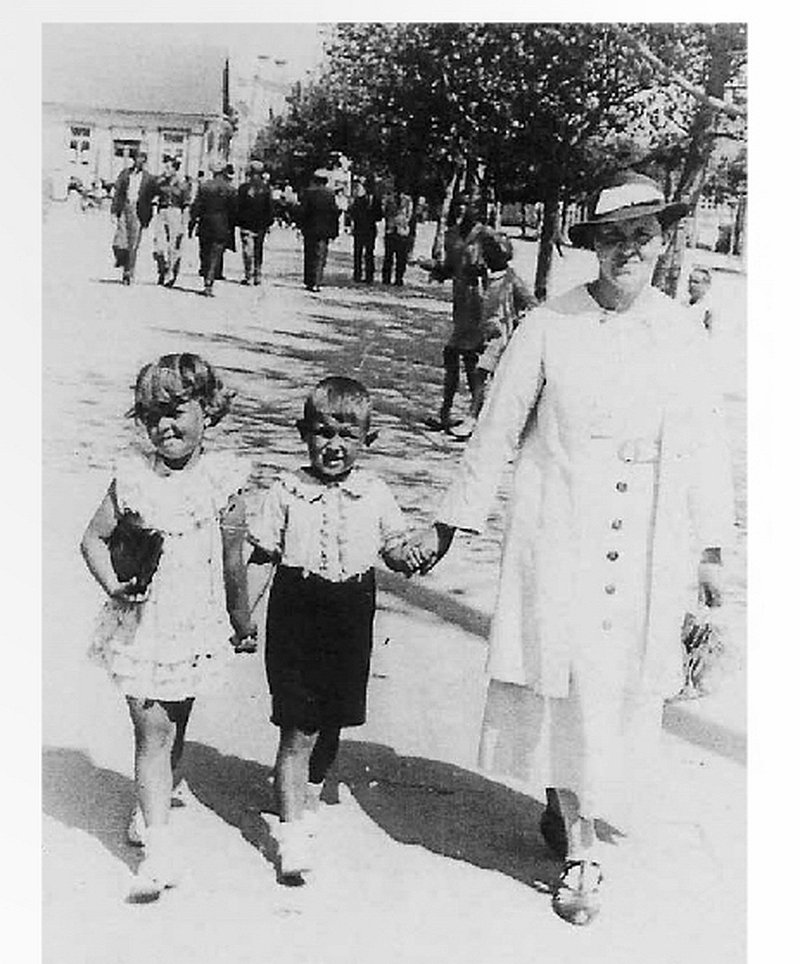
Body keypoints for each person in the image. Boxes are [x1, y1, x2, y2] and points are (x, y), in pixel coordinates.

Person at [410, 171, 734, 926]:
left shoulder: (681, 331)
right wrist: (450, 524)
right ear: (592, 247)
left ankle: (570, 799)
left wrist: (711, 550)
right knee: (565, 677)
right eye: (613, 237)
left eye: (642, 235)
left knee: (616, 688)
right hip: (562, 534)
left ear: (663, 242)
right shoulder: (549, 324)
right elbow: (495, 431)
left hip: (648, 540)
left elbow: (707, 444)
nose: (629, 250)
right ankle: (582, 848)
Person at [80, 353, 256, 899]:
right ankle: (159, 852)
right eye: (152, 416)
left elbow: (233, 562)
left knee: (174, 726)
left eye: (176, 411)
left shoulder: (223, 481)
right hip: (143, 626)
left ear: (208, 410)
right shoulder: (132, 478)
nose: (164, 427)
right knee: (152, 732)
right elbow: (93, 539)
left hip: (195, 627)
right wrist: (114, 585)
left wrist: (242, 621)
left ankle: (149, 808)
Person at [248, 376, 425, 880]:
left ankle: (307, 790)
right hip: (297, 610)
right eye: (323, 432)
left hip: (350, 610)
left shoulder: (374, 492)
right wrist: (242, 615)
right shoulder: (286, 490)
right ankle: (291, 834)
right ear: (304, 433)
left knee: (332, 718)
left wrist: (411, 555)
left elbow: (393, 547)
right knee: (297, 724)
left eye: (348, 435)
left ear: (367, 439)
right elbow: (262, 556)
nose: (334, 445)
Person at [463, 227, 536, 435]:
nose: (488, 259)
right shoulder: (489, 278)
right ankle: (483, 418)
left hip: (503, 337)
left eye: (492, 255)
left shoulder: (510, 279)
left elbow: (531, 303)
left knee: (482, 374)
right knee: (485, 377)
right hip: (487, 335)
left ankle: (474, 418)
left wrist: (521, 320)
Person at [431, 194, 486, 432]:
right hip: (460, 301)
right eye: (460, 205)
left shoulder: (486, 236)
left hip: (479, 301)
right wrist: (436, 270)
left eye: (470, 206)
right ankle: (448, 412)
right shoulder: (451, 235)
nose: (464, 209)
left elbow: (499, 264)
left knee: (468, 357)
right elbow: (450, 267)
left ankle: (475, 415)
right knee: (456, 356)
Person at [188, 160, 238, 297]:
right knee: (216, 254)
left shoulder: (204, 187)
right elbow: (234, 211)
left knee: (204, 252)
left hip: (205, 223)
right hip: (222, 225)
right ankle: (210, 281)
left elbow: (196, 207)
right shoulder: (230, 189)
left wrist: (191, 224)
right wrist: (231, 226)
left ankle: (206, 279)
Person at [111, 150, 159, 285]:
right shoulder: (125, 174)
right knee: (119, 242)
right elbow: (118, 192)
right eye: (137, 158)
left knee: (133, 244)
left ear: (145, 161)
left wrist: (149, 212)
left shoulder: (149, 178)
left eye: (142, 159)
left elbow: (154, 194)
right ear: (134, 159)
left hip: (139, 211)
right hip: (125, 208)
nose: (139, 161)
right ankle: (121, 259)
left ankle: (128, 272)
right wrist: (114, 211)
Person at [153, 158, 191, 287]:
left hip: (175, 212)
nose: (166, 170)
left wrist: (184, 223)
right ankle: (162, 268)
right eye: (165, 167)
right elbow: (153, 190)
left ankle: (170, 272)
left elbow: (186, 204)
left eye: (169, 168)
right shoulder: (161, 182)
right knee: (159, 244)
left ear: (175, 169)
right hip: (162, 211)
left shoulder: (182, 184)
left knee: (173, 245)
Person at [298, 171, 339, 292]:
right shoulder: (330, 194)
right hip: (324, 230)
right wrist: (334, 231)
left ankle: (309, 280)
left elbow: (303, 211)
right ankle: (317, 281)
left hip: (310, 229)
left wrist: (300, 226)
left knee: (309, 254)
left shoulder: (308, 193)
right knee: (320, 256)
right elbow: (334, 213)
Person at [236, 160, 274, 286]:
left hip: (246, 224)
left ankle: (248, 275)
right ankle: (258, 274)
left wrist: (238, 221)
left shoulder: (243, 188)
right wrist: (269, 222)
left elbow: (238, 207)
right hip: (261, 224)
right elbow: (270, 207)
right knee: (258, 249)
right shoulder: (266, 189)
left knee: (247, 250)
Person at [350, 176, 383, 283]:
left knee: (366, 253)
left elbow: (379, 216)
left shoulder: (373, 201)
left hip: (366, 229)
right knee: (361, 253)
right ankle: (361, 275)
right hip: (363, 229)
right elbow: (353, 213)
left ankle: (365, 275)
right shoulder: (361, 200)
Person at [381, 187, 415, 286]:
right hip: (391, 230)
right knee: (388, 256)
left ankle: (399, 278)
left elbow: (409, 215)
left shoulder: (408, 201)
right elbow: (385, 213)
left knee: (401, 258)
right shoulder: (389, 200)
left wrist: (403, 224)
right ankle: (386, 278)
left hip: (402, 231)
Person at [684, 264, 714, 335]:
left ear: (706, 285)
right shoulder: (683, 304)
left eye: (696, 282)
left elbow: (711, 334)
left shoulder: (708, 308)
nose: (692, 285)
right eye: (690, 281)